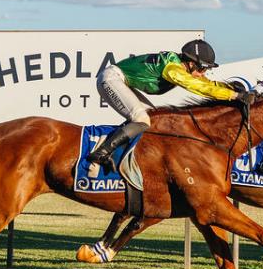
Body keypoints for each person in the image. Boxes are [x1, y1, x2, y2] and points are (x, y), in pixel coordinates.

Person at [86, 39, 240, 173]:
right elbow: (198, 87)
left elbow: (204, 83)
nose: (203, 73)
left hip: (121, 80)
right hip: (111, 79)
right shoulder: (172, 69)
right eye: (202, 69)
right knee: (141, 119)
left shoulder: (180, 66)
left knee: (153, 121)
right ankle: (102, 152)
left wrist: (230, 88)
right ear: (191, 63)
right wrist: (233, 96)